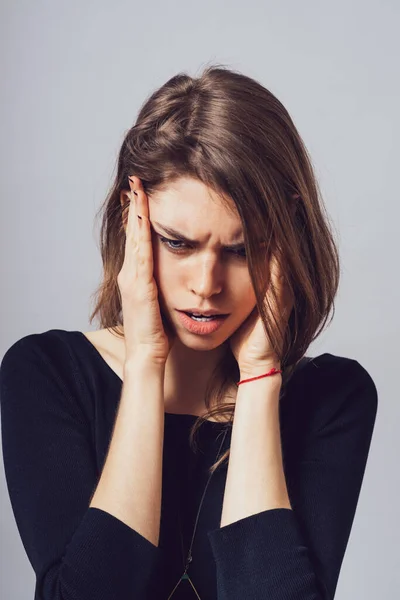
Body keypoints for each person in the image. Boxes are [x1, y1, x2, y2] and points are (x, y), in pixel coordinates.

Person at [0, 65, 378, 600]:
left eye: (242, 250)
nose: (206, 285)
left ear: (286, 244)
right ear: (132, 221)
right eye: (178, 243)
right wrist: (146, 362)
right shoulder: (47, 374)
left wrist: (260, 378)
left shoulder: (333, 399)